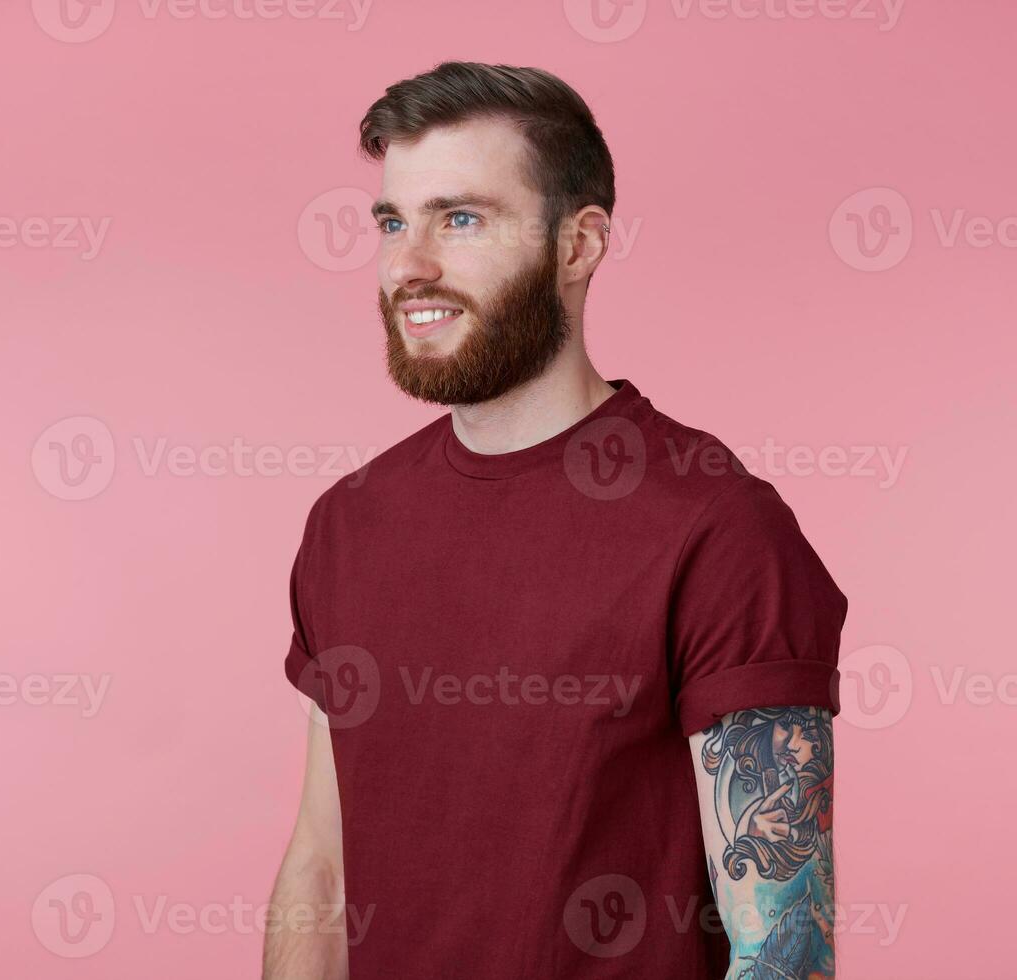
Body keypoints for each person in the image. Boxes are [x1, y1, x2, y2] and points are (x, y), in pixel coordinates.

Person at [263, 61, 848, 980]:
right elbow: (322, 873)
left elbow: (783, 947)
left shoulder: (716, 528)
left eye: (461, 219)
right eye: (392, 221)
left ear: (578, 246)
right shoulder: (347, 524)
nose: (409, 264)